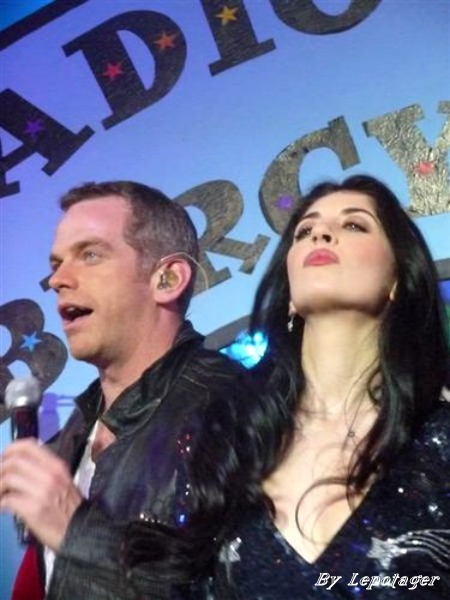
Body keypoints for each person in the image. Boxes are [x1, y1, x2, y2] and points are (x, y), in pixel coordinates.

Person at [0, 180, 263, 599]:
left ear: (168, 279)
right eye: (56, 263)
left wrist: (77, 533)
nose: (58, 280)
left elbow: (252, 584)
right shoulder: (76, 430)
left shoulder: (231, 409)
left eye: (90, 254)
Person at [210, 174, 450, 598]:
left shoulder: (440, 438)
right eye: (304, 231)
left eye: (354, 225)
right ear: (290, 293)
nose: (320, 234)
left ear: (397, 278)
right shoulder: (225, 441)